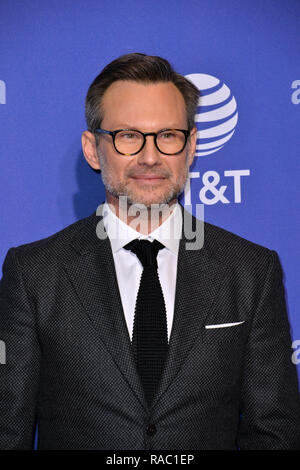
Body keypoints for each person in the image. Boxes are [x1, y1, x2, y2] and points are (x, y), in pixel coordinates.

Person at [0, 53, 299, 450]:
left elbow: (275, 433)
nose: (150, 156)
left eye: (168, 135)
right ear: (93, 150)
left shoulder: (250, 271)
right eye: (127, 136)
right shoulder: (34, 274)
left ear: (191, 146)